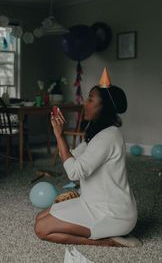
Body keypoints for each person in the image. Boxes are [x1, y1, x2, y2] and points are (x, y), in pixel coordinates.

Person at [34, 68, 140, 247]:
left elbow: (74, 172)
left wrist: (60, 136)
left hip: (112, 213)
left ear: (104, 107)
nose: (85, 103)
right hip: (90, 203)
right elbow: (72, 157)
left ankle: (109, 242)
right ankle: (104, 234)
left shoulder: (109, 136)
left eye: (91, 99)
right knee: (39, 218)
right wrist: (57, 133)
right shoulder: (98, 133)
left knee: (42, 229)